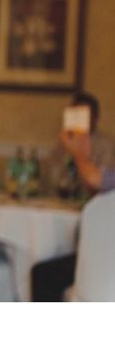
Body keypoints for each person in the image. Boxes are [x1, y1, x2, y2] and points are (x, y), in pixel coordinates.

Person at [32, 91, 114, 301]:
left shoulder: (105, 146)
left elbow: (95, 181)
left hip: (106, 256)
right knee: (45, 271)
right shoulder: (62, 146)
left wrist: (79, 154)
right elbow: (49, 181)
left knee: (44, 275)